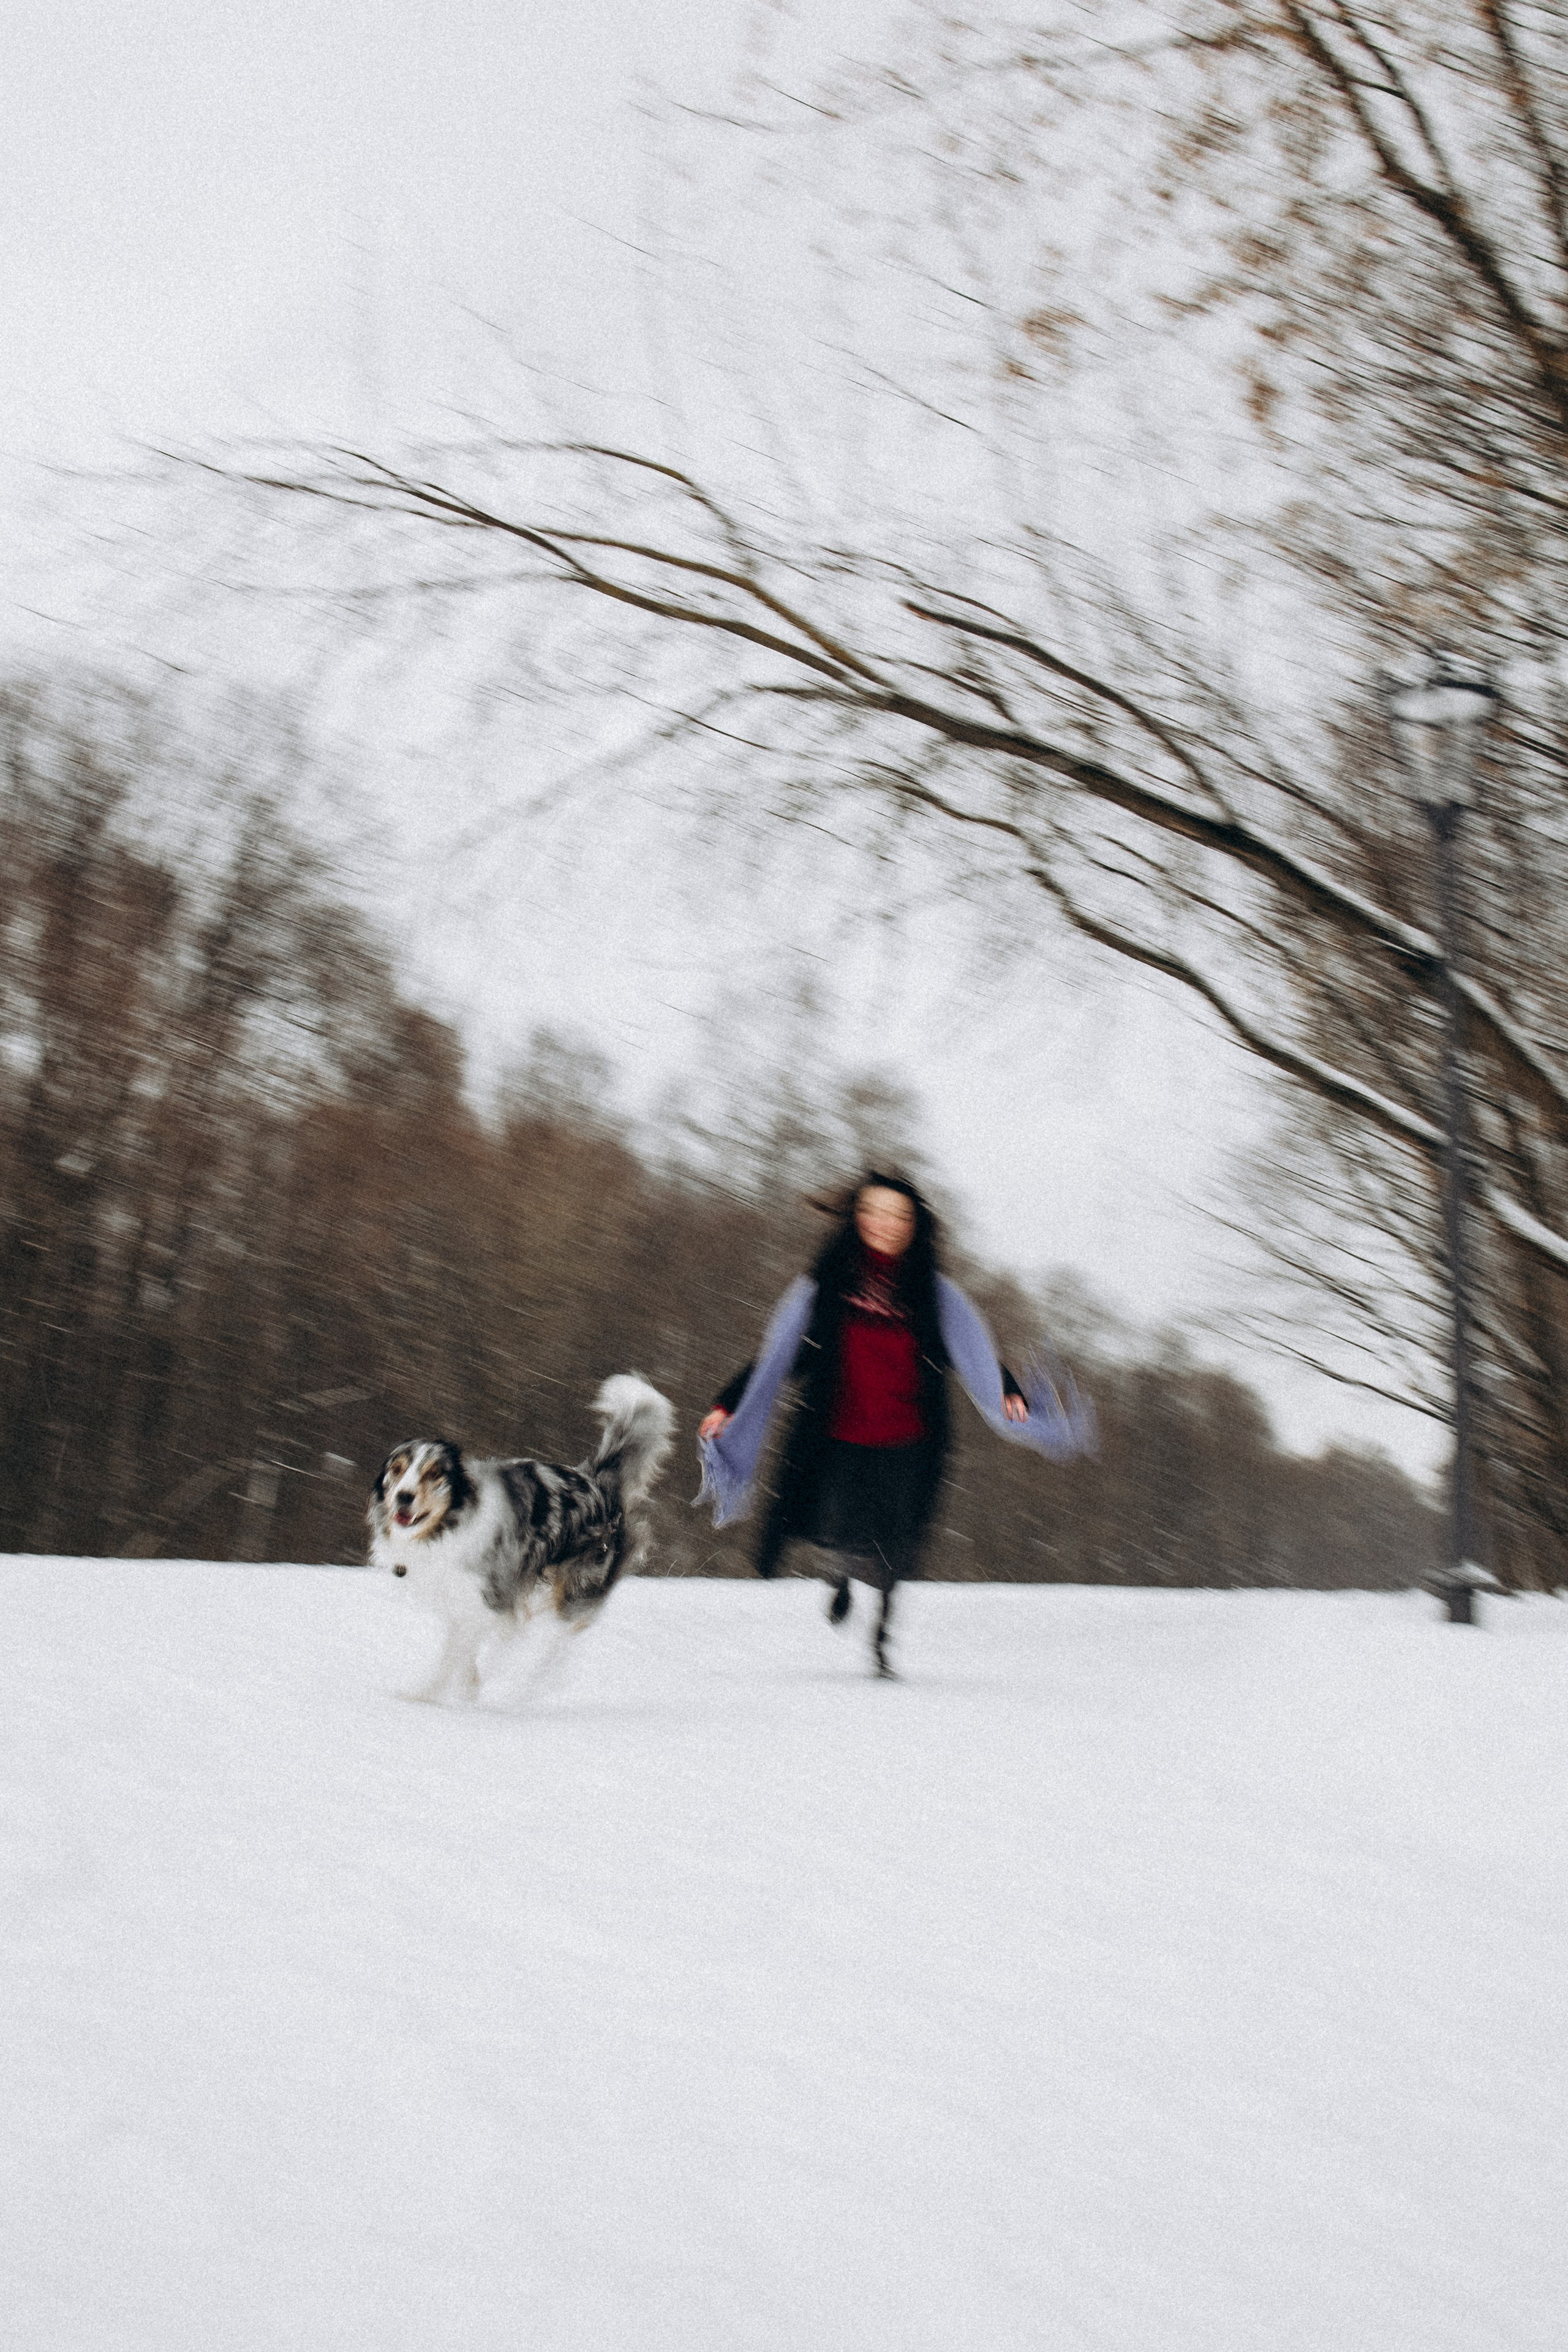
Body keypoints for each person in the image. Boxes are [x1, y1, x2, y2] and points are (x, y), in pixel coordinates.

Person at [695, 1173, 1094, 1678]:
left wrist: (1010, 1391)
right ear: (858, 1218)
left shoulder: (934, 1294)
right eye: (876, 1212)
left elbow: (972, 1351)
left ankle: (881, 1637)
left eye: (900, 1216)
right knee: (839, 1526)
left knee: (895, 1545)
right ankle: (840, 1576)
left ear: (916, 1225)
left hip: (909, 1441)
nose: (887, 1225)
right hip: (838, 1434)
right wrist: (728, 1403)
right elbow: (780, 1357)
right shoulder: (824, 1288)